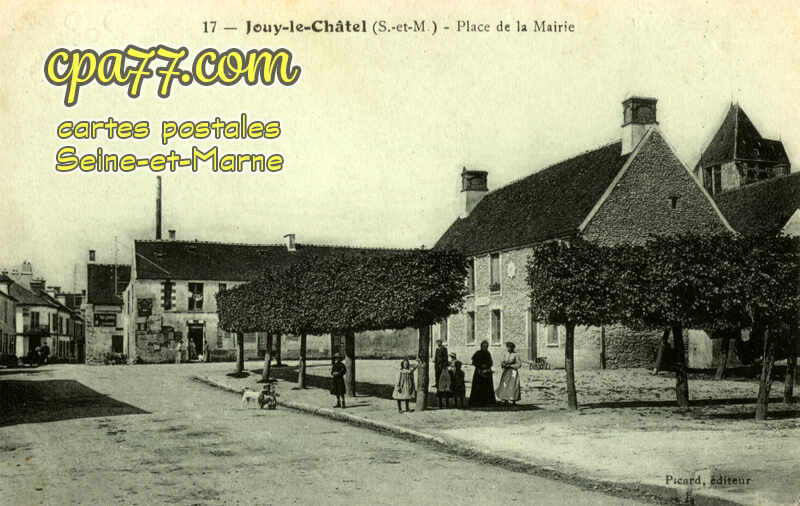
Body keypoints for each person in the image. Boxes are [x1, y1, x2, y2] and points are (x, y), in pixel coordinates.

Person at [469, 340, 496, 407]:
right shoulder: (478, 353)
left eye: (486, 346)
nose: (485, 348)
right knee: (478, 387)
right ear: (481, 346)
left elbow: (491, 362)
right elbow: (473, 361)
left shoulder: (488, 353)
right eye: (483, 346)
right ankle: (477, 401)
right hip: (478, 372)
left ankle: (487, 401)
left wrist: (487, 366)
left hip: (486, 373)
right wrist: (480, 365)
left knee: (487, 387)